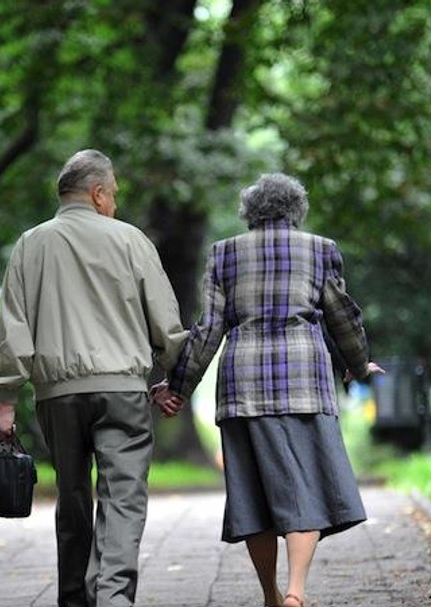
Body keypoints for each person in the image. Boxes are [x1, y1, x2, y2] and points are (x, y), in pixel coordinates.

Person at [153, 172, 384, 607]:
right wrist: (356, 365)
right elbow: (343, 318)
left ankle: (270, 597)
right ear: (297, 210)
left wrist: (179, 387)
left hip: (243, 388)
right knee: (307, 489)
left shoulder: (225, 254)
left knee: (253, 498)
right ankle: (296, 592)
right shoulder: (320, 250)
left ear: (249, 213)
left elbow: (208, 330)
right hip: (304, 385)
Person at [0, 149, 188, 607]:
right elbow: (166, 324)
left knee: (72, 500)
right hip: (123, 394)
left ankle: (75, 599)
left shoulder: (30, 244)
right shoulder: (131, 240)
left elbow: (13, 330)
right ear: (98, 194)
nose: (114, 203)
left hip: (58, 397)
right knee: (123, 498)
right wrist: (176, 377)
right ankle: (114, 597)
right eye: (113, 195)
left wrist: (4, 399)